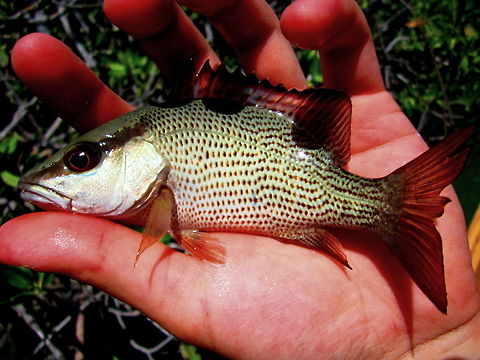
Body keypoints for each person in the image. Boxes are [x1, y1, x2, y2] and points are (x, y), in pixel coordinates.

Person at [1, 0, 479, 358]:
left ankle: (392, 208)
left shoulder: (160, 190)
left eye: (83, 161)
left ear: (138, 147)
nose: (64, 177)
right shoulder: (154, 187)